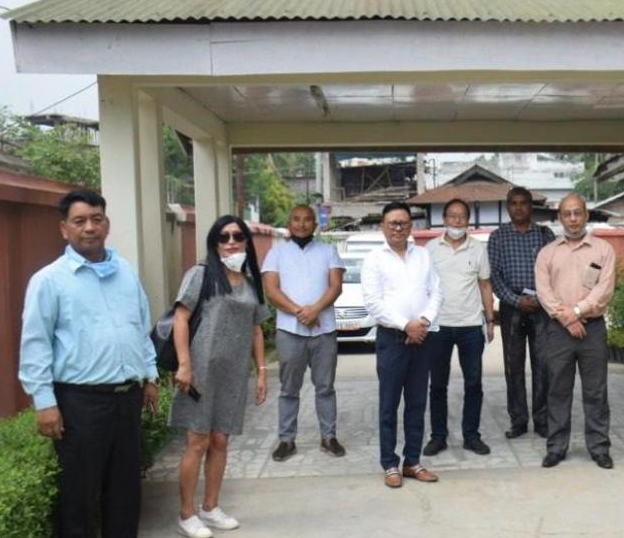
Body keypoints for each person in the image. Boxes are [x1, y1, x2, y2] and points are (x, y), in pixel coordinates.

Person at [18, 189, 159, 538]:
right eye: (79, 221)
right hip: (81, 404)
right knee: (78, 497)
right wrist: (45, 403)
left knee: (125, 492)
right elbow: (36, 344)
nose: (90, 228)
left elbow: (141, 328)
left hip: (127, 400)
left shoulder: (125, 272)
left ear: (106, 224)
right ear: (64, 229)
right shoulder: (49, 280)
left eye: (96, 219)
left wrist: (150, 376)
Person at [171, 216, 270, 538]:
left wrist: (261, 372)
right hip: (200, 372)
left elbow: (256, 329)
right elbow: (180, 319)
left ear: (246, 242)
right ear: (214, 243)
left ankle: (210, 507)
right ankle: (186, 514)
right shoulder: (201, 274)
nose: (231, 242)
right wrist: (184, 365)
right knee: (197, 441)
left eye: (237, 236)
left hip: (233, 376)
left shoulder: (251, 283)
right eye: (223, 237)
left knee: (220, 440)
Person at [362, 201, 444, 488]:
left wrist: (422, 322)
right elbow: (373, 302)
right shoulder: (374, 259)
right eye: (392, 223)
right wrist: (405, 325)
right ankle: (389, 464)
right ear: (382, 226)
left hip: (422, 338)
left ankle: (412, 462)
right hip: (392, 340)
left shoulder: (423, 255)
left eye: (403, 223)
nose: (398, 228)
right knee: (389, 404)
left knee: (417, 403)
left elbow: (437, 293)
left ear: (411, 226)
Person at [535, 194, 617, 469]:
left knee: (596, 391)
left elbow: (604, 289)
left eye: (577, 213)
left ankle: (599, 447)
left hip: (593, 330)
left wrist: (578, 312)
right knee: (558, 389)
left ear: (586, 215)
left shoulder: (603, 250)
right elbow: (544, 292)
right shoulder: (547, 253)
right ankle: (556, 447)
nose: (572, 219)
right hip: (558, 331)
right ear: (559, 218)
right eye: (567, 214)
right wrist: (567, 318)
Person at [262, 204, 346, 462]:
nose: (301, 224)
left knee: (325, 387)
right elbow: (272, 291)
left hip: (324, 332)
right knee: (289, 389)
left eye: (307, 219)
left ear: (315, 224)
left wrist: (316, 310)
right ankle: (287, 440)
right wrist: (301, 312)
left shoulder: (328, 251)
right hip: (289, 332)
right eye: (296, 219)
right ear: (289, 223)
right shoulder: (276, 253)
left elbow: (336, 286)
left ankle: (329, 437)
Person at [423, 198, 495, 457]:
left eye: (461, 216)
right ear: (444, 219)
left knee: (473, 383)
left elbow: (485, 285)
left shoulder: (478, 249)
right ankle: (438, 437)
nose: (457, 220)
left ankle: (471, 436)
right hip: (438, 326)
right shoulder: (430, 249)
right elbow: (423, 287)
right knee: (437, 385)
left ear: (468, 220)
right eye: (452, 216)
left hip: (470, 326)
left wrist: (490, 320)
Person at [487, 186, 557, 439]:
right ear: (508, 207)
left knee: (543, 365)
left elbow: (555, 271)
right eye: (513, 203)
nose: (518, 208)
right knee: (513, 366)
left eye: (523, 203)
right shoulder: (498, 237)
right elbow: (494, 276)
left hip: (542, 307)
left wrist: (541, 299)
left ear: (531, 206)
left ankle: (542, 420)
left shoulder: (545, 234)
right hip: (512, 307)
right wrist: (517, 300)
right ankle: (518, 421)